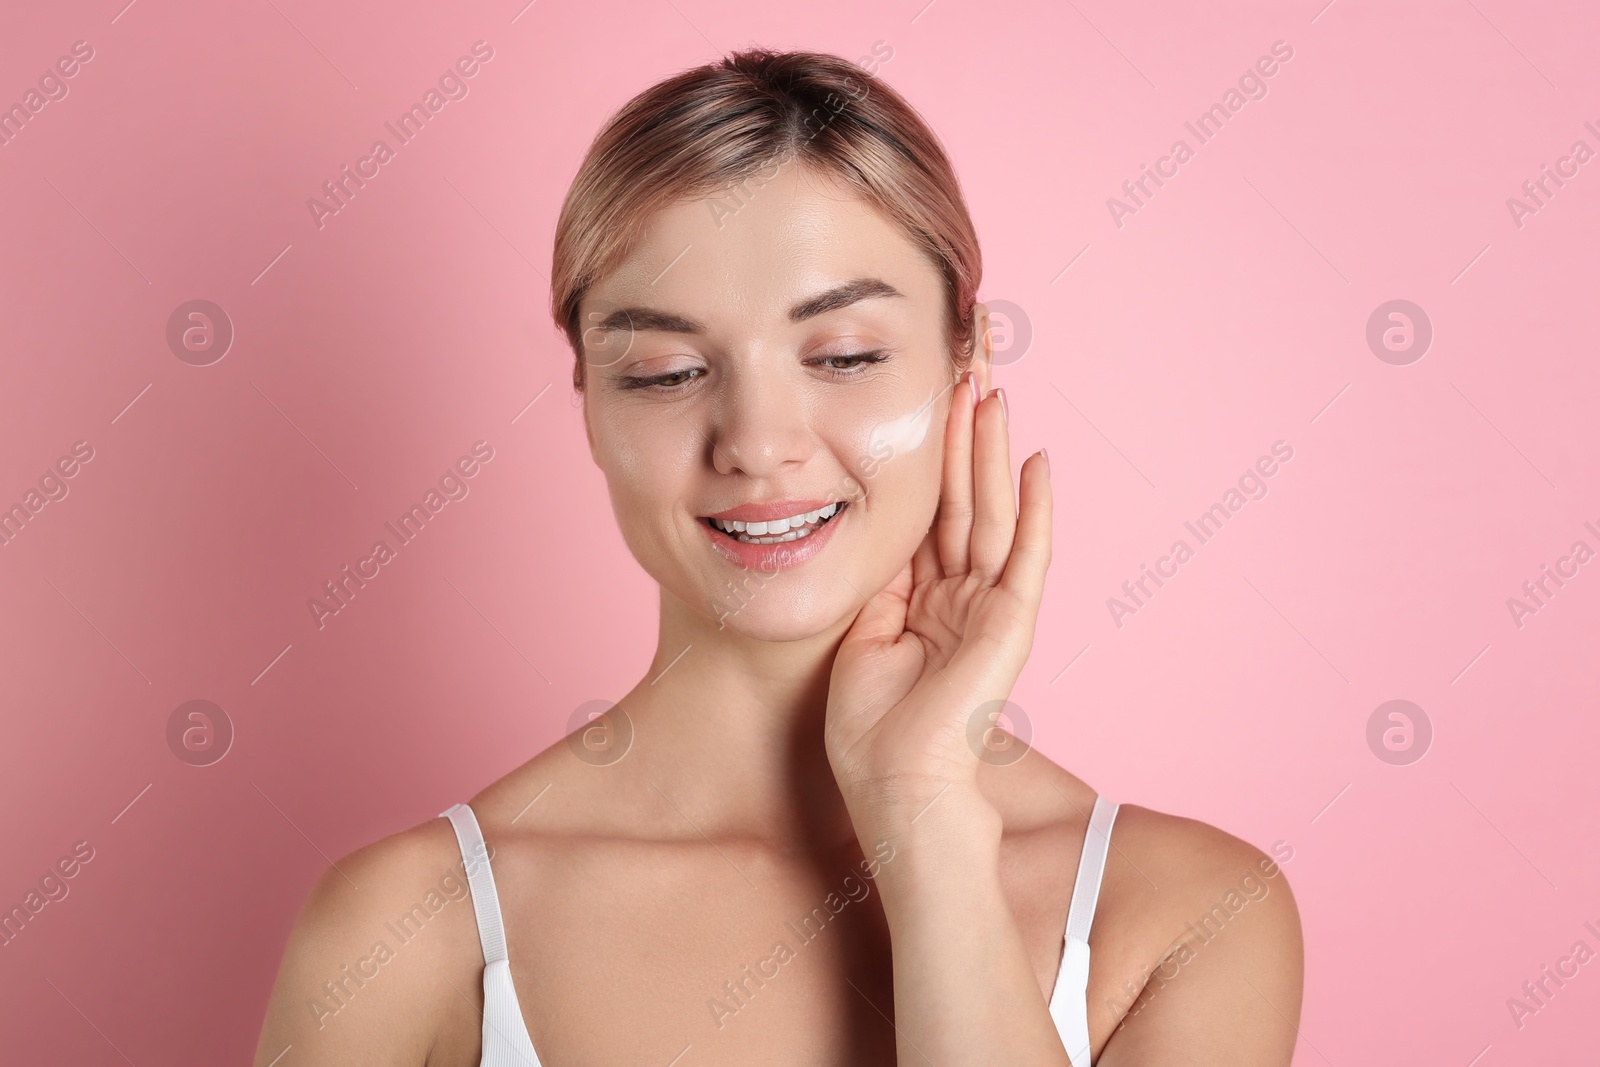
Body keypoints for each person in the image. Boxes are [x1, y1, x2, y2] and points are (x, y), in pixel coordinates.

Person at [254, 47, 1303, 1066]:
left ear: (965, 359)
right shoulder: (402, 932)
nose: (756, 441)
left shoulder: (1185, 915)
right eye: (665, 372)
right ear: (587, 402)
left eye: (843, 356)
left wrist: (923, 814)